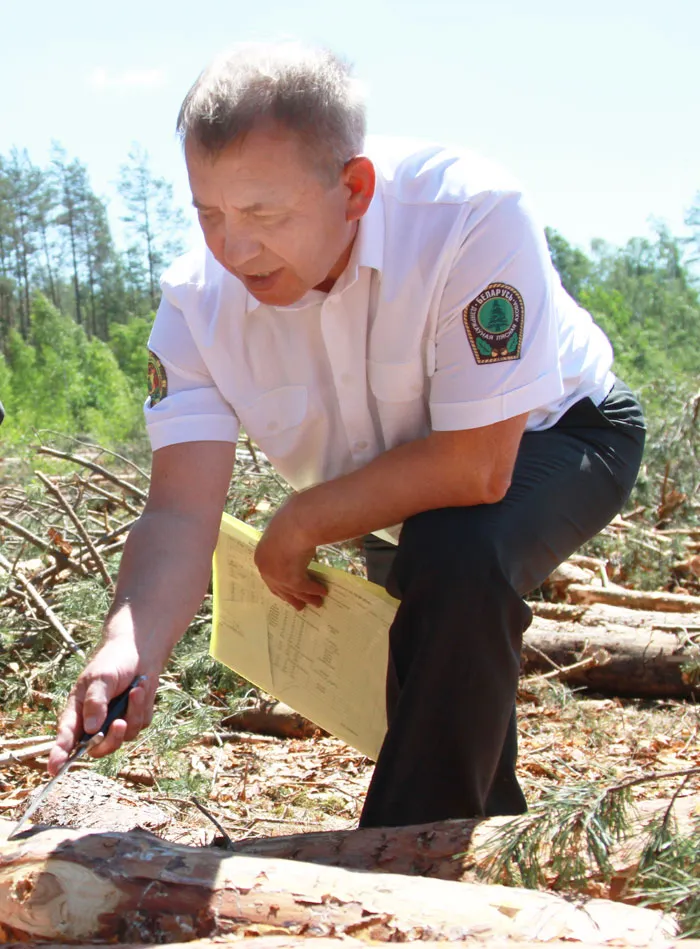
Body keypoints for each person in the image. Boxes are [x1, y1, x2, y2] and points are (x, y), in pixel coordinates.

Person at [49, 42, 645, 828]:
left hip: (560, 432)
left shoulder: (471, 216)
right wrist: (130, 641)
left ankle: (396, 861)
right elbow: (178, 512)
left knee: (457, 558)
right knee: (442, 675)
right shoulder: (195, 304)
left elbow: (477, 466)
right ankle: (491, 850)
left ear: (354, 188)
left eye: (264, 214)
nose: (233, 248)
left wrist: (300, 521)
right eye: (209, 213)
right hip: (397, 490)